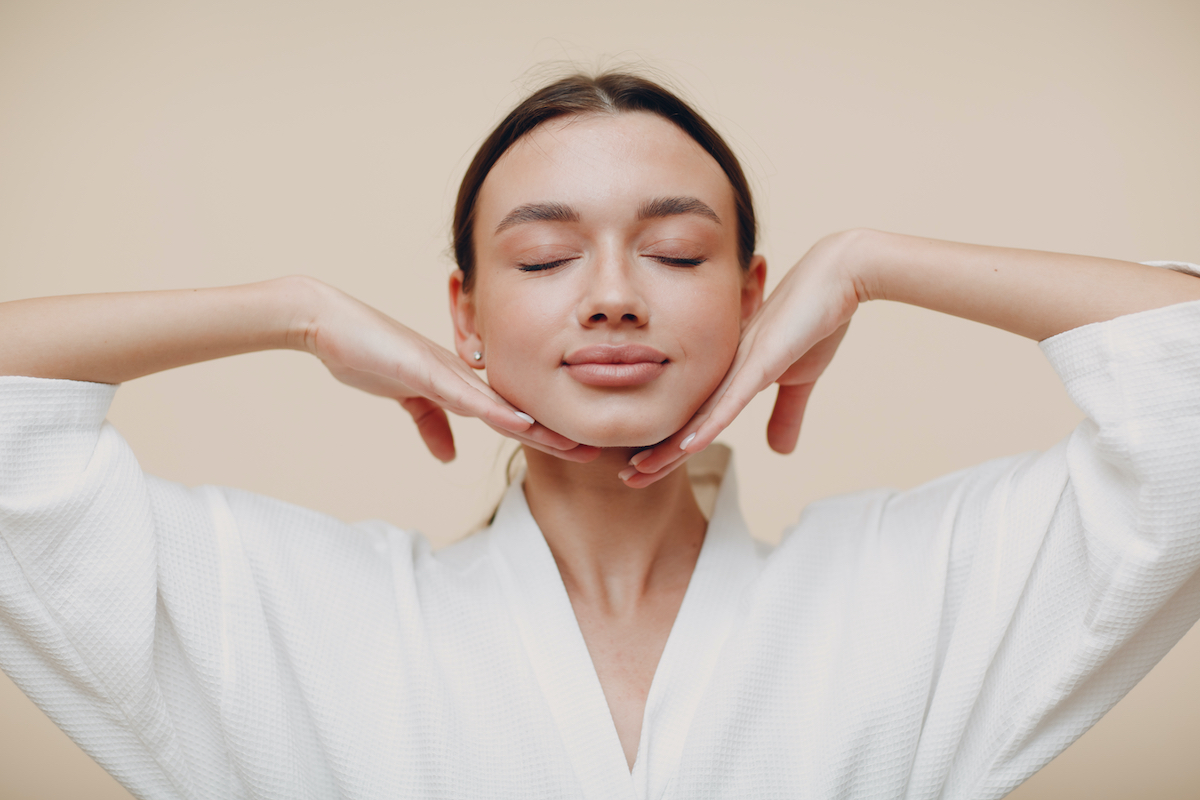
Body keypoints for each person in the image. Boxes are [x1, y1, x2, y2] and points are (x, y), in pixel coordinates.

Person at [0, 71, 1198, 800]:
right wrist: (292, 310)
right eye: (543, 255)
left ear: (754, 295)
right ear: (464, 308)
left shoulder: (902, 589)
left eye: (678, 253)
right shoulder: (293, 610)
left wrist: (876, 262)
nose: (615, 293)